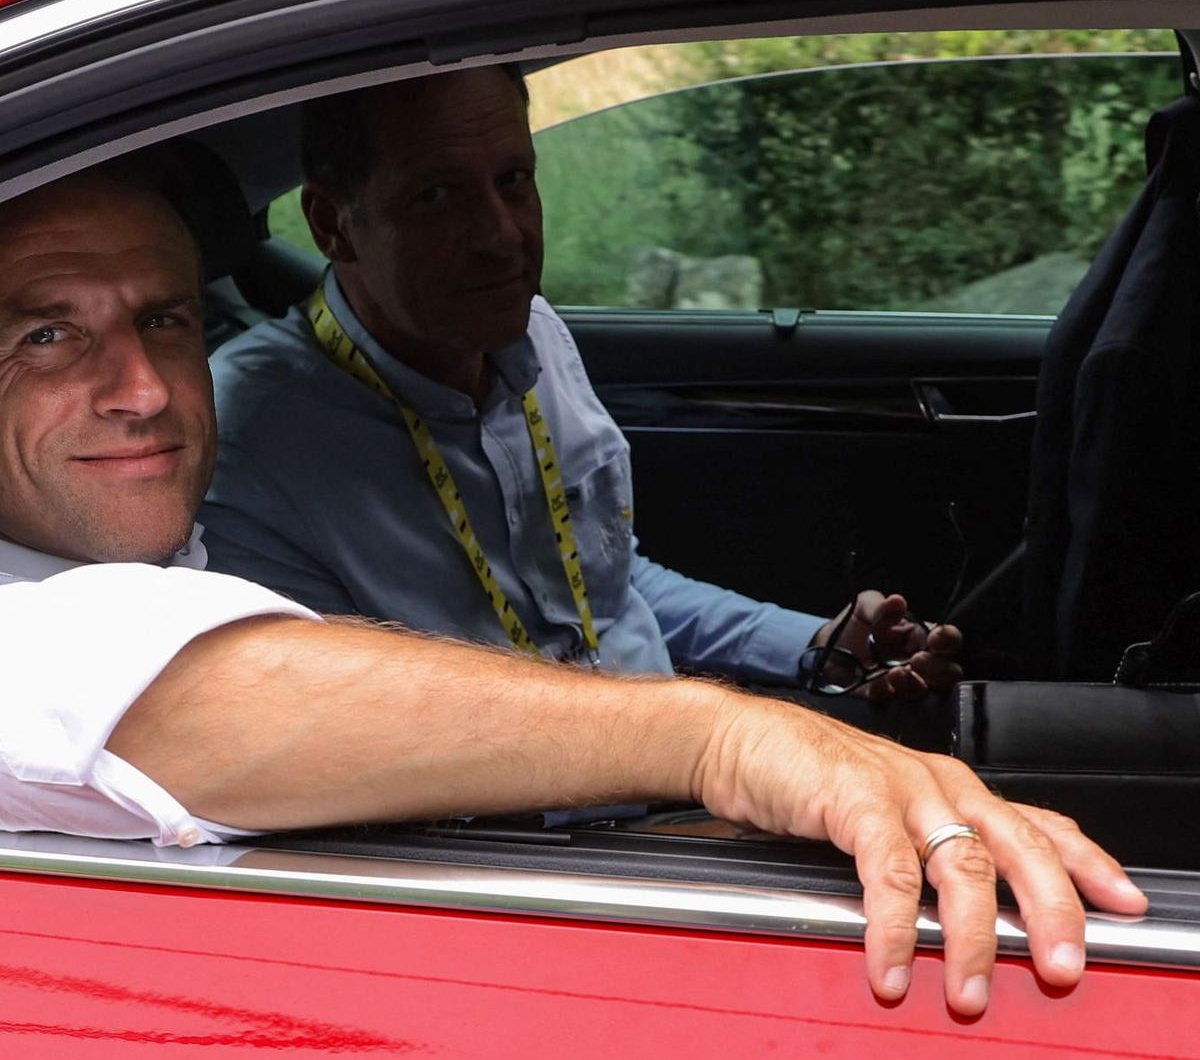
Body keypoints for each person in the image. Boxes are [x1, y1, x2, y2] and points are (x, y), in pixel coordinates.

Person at [0, 156, 1148, 1016]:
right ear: (340, 225)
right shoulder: (63, 607)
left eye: (166, 319)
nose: (143, 388)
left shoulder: (534, 346)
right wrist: (720, 739)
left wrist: (803, 659)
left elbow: (603, 574)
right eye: (48, 335)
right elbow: (169, 687)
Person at [201, 65, 962, 700]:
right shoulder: (246, 452)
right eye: (437, 195)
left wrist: (817, 647)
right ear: (333, 225)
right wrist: (714, 758)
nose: (501, 235)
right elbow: (340, 751)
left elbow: (600, 590)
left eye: (513, 179)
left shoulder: (530, 334)